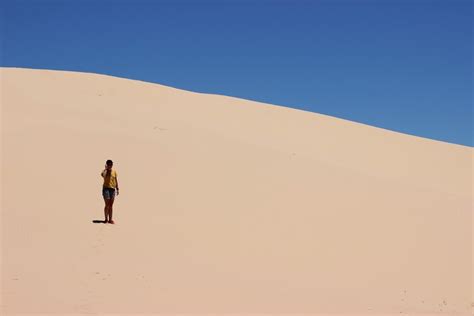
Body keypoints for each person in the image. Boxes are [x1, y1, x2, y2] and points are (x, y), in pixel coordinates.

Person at [101, 159, 119, 224]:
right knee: (107, 204)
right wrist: (106, 169)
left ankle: (110, 219)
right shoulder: (105, 171)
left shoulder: (114, 172)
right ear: (107, 165)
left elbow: (116, 180)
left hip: (112, 189)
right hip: (106, 189)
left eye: (111, 165)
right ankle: (106, 219)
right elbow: (103, 175)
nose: (110, 166)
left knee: (111, 205)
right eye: (108, 165)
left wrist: (117, 188)